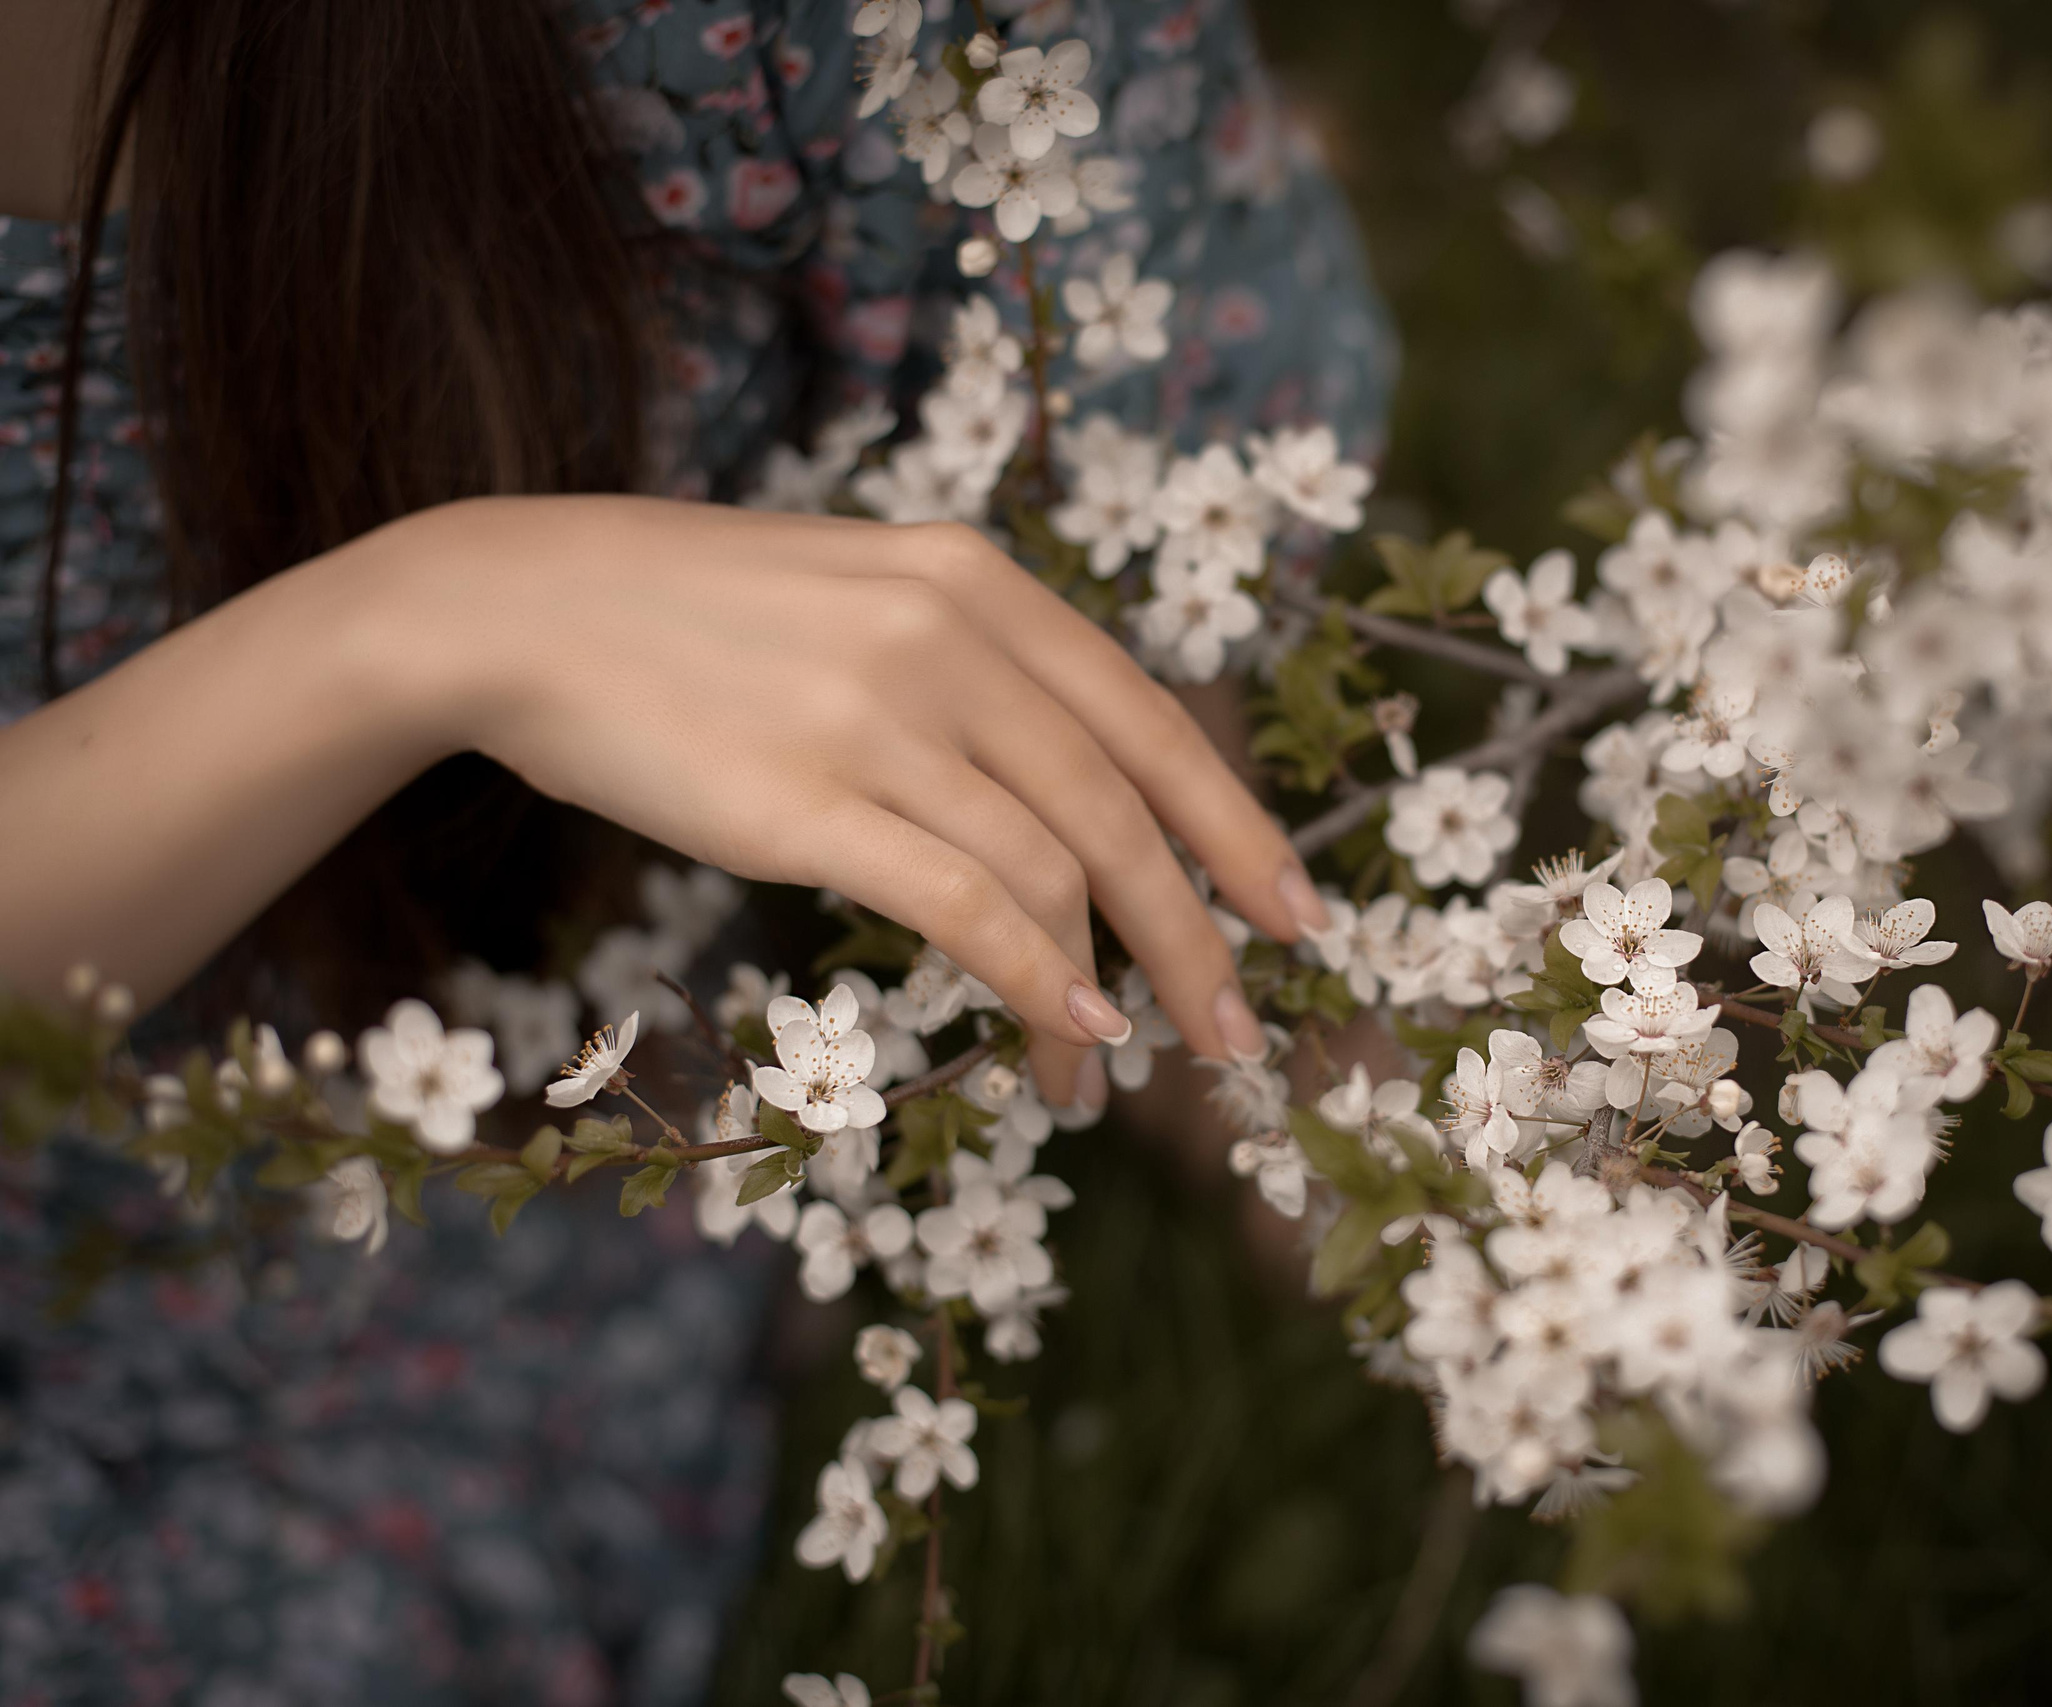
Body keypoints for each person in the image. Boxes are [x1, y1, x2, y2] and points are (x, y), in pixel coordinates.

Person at [0, 0, 1394, 1699]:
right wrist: (413, 635)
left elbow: (1119, 491)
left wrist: (1270, 1047)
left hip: (448, 1125)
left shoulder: (814, 42)